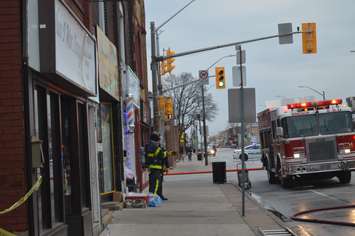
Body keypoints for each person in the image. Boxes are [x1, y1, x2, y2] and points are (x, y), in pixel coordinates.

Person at [146, 132, 168, 200]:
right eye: (158, 139)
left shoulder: (148, 145)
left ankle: (158, 195)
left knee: (154, 183)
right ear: (156, 139)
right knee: (157, 183)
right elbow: (161, 155)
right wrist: (165, 152)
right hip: (156, 168)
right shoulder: (155, 146)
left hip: (153, 167)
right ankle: (154, 197)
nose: (159, 141)